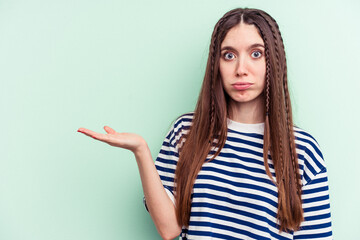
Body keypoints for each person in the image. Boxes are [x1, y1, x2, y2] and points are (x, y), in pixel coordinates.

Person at [77, 8, 332, 240]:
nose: (241, 69)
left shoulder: (302, 150)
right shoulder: (186, 132)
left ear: (272, 61)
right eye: (229, 55)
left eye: (256, 54)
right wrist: (140, 150)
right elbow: (169, 229)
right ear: (216, 65)